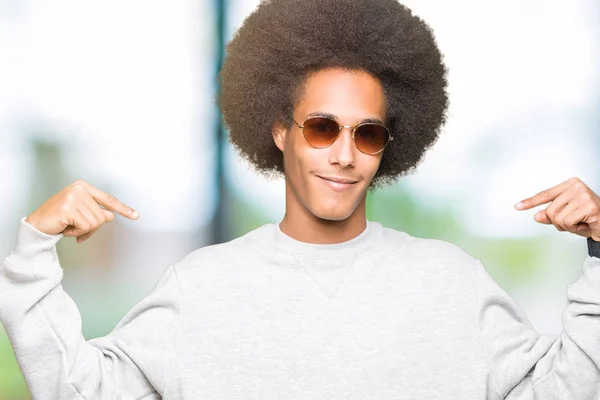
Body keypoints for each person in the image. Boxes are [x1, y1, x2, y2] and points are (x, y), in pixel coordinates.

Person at [1, 0, 599, 398]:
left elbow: (568, 388)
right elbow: (78, 388)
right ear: (280, 131)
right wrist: (32, 252)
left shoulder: (451, 283)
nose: (344, 154)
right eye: (321, 127)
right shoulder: (203, 286)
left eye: (367, 133)